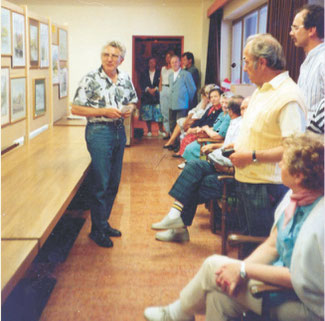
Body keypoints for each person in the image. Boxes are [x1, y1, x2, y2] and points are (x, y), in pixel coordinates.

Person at [145, 133, 324, 321]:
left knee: (212, 265)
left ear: (299, 175)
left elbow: (298, 278)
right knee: (219, 298)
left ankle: (177, 314)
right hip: (284, 285)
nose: (279, 164)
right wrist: (240, 270)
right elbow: (272, 245)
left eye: (284, 162)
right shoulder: (293, 198)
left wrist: (243, 270)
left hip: (307, 305)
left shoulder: (319, 220)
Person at [229, 34, 306, 240]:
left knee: (261, 242)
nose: (244, 67)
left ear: (261, 62)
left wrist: (251, 155)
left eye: (246, 61)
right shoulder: (262, 90)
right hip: (249, 180)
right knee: (249, 239)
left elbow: (293, 149)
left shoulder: (287, 96)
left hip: (266, 185)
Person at [71, 41, 138, 248]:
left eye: (114, 55)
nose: (109, 58)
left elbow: (133, 101)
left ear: (121, 59)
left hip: (119, 131)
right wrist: (103, 111)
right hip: (99, 131)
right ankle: (97, 230)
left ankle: (102, 223)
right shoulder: (90, 79)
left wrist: (129, 109)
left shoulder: (125, 78)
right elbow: (75, 108)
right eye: (106, 54)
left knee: (113, 182)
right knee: (101, 181)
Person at [150, 99, 243, 242]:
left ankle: (179, 228)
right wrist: (216, 149)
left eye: (247, 109)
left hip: (233, 173)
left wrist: (225, 164)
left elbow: (240, 156)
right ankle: (175, 215)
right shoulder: (239, 124)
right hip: (220, 164)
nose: (243, 112)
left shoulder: (248, 129)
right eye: (242, 109)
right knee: (193, 166)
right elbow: (228, 146)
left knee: (193, 183)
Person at [290, 4, 324, 124]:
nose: (291, 33)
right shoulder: (308, 62)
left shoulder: (322, 60)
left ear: (311, 30)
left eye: (295, 27)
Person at [175, 87, 223, 158]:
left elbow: (215, 126)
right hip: (201, 130)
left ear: (221, 97)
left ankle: (192, 160)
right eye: (211, 97)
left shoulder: (222, 111)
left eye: (215, 96)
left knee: (189, 139)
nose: (213, 99)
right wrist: (192, 128)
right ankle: (187, 159)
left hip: (208, 133)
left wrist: (200, 129)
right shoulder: (211, 108)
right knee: (187, 134)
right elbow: (201, 120)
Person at [163, 85, 214, 150]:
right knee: (181, 121)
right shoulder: (204, 100)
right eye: (205, 94)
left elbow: (201, 116)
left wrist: (191, 118)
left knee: (184, 124)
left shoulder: (210, 104)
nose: (206, 96)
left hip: (200, 122)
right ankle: (175, 143)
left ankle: (176, 144)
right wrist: (190, 116)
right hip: (194, 118)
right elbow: (194, 109)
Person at [168, 55, 197, 134]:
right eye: (172, 62)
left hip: (182, 104)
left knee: (180, 125)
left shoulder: (186, 74)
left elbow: (192, 89)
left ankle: (178, 144)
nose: (174, 64)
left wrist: (187, 99)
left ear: (180, 63)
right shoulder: (170, 75)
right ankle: (172, 143)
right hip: (171, 104)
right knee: (171, 124)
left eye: (176, 62)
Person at [139, 57, 164, 137]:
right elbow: (141, 82)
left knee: (159, 113)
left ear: (155, 63)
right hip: (147, 96)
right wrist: (148, 89)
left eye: (153, 62)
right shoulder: (144, 72)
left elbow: (161, 82)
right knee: (147, 114)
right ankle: (149, 130)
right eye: (150, 62)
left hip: (157, 96)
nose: (151, 64)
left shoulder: (159, 72)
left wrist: (155, 89)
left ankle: (160, 130)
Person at [159, 50, 174, 137]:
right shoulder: (163, 68)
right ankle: (167, 131)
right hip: (163, 89)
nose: (167, 59)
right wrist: (160, 89)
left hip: (170, 89)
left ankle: (172, 132)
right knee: (164, 111)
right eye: (166, 57)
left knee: (171, 111)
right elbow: (161, 80)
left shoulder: (173, 69)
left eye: (169, 57)